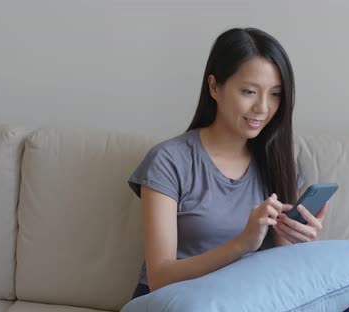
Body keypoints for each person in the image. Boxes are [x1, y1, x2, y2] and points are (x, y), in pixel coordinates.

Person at [128, 27, 328, 299]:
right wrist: (243, 243)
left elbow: (284, 274)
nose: (263, 108)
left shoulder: (279, 163)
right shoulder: (168, 161)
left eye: (275, 94)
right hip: (176, 300)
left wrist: (302, 242)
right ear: (214, 87)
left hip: (248, 299)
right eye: (249, 91)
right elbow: (160, 278)